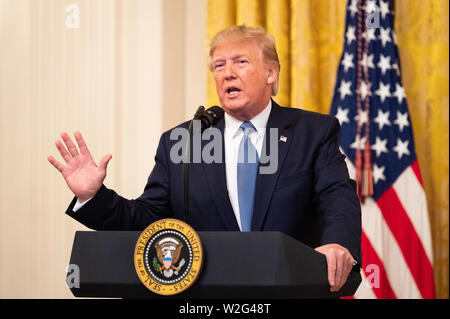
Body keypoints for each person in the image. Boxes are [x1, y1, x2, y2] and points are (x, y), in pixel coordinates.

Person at [48, 25, 361, 293]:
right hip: (206, 300)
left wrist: (338, 244)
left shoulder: (312, 132)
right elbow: (149, 221)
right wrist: (92, 196)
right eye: (219, 65)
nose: (228, 73)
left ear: (271, 72)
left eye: (240, 61)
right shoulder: (185, 141)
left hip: (291, 292)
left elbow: (337, 198)